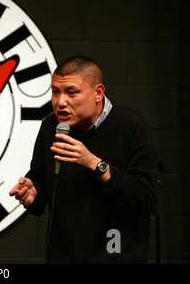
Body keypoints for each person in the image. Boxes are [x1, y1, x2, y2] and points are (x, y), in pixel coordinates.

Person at [9, 56, 158, 263]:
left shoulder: (131, 126)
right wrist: (34, 190)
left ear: (98, 93)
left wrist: (95, 165)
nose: (60, 102)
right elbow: (42, 178)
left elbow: (145, 199)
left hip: (114, 255)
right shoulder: (51, 126)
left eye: (72, 92)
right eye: (55, 92)